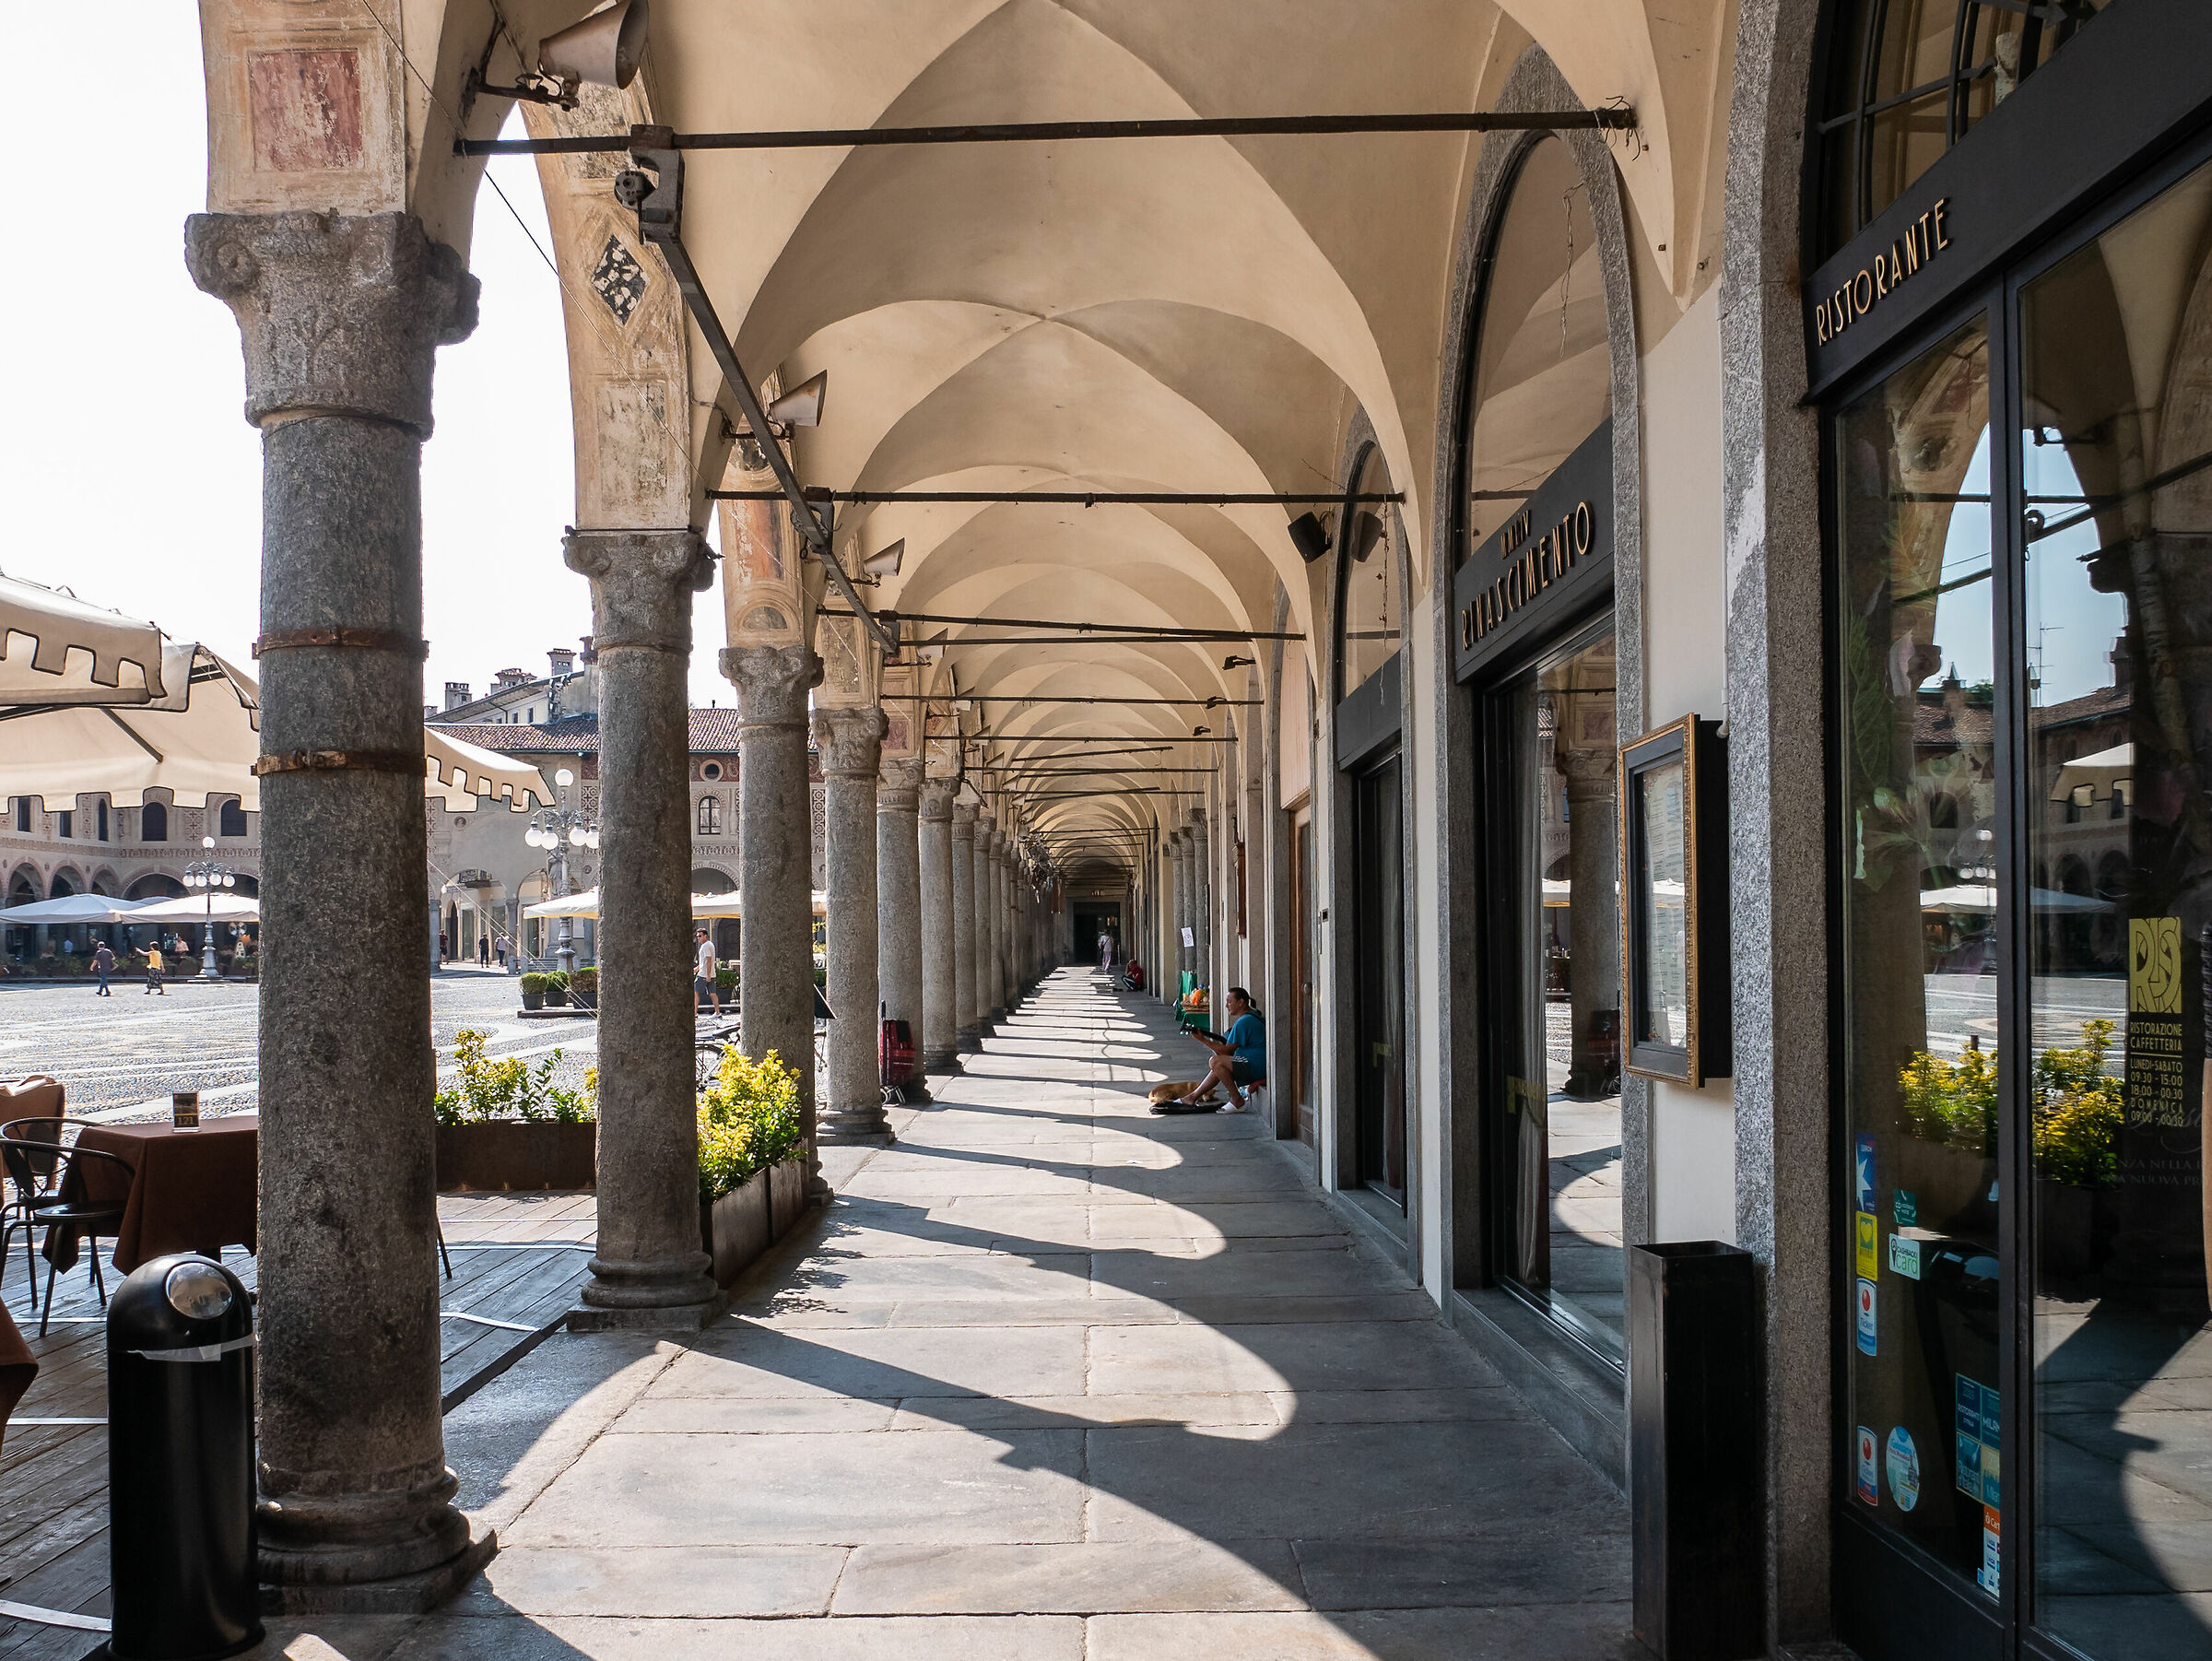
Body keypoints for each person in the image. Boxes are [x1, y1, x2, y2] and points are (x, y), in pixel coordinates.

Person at [1155, 985, 1265, 1113]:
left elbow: (1226, 1051)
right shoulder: (1252, 1015)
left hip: (1255, 1065)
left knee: (1216, 1061)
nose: (1226, 1005)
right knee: (1219, 1066)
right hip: (1255, 1063)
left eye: (1230, 1002)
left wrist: (1202, 1039)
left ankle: (1237, 1100)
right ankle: (1192, 1097)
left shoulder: (1245, 1021)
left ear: (1241, 1002)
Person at [694, 927, 721, 1016]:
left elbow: (709, 960)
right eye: (697, 936)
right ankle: (717, 1013)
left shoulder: (705, 946)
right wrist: (698, 967)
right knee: (712, 993)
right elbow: (706, 961)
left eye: (700, 936)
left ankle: (694, 1012)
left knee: (695, 992)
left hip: (703, 975)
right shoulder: (709, 944)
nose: (698, 938)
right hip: (710, 973)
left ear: (705, 936)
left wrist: (707, 975)